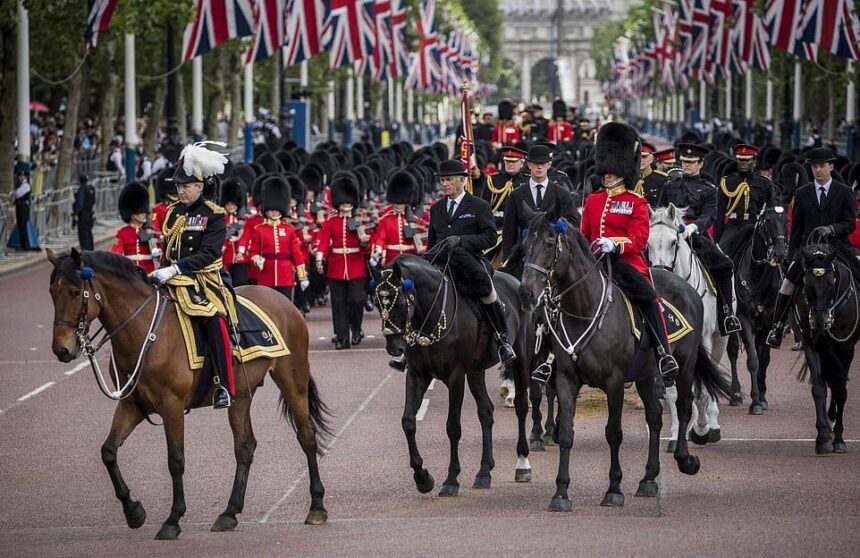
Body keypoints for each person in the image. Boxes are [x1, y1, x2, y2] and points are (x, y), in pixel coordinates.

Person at [580, 122, 679, 381]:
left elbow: (639, 240)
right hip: (596, 262)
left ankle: (664, 352)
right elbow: (585, 236)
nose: (608, 175)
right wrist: (593, 248)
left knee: (648, 298)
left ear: (623, 171)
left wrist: (616, 243)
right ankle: (549, 357)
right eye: (606, 171)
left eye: (613, 171)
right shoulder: (593, 200)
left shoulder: (637, 202)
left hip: (626, 263)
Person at [151, 142, 235, 409]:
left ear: (200, 186)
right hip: (173, 277)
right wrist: (163, 267)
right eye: (178, 186)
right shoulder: (174, 212)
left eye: (186, 186)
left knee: (214, 318)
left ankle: (224, 384)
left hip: (205, 280)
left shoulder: (213, 214)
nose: (181, 190)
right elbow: (170, 247)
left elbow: (208, 253)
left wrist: (177, 268)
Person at [766, 147, 859, 348]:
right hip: (808, 250)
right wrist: (792, 256)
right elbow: (797, 229)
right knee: (787, 285)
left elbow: (850, 223)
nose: (818, 170)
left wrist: (832, 229)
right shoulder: (802, 193)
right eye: (815, 167)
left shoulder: (844, 192)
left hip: (837, 247)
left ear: (831, 167)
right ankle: (778, 327)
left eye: (822, 166)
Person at [427, 159, 516, 365]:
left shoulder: (478, 205)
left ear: (461, 180)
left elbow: (490, 238)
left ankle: (502, 340)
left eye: (449, 180)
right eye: (442, 180)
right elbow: (431, 243)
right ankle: (412, 347)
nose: (445, 184)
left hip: (471, 261)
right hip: (443, 261)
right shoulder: (436, 209)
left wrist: (462, 240)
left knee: (487, 289)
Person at [657, 143, 740, 335]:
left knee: (725, 265)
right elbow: (660, 210)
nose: (687, 166)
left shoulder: (709, 189)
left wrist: (692, 227)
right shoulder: (670, 186)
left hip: (696, 236)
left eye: (692, 162)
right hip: (670, 233)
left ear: (701, 164)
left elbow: (710, 215)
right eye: (685, 162)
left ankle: (727, 314)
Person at [316, 173, 369, 350]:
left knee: (356, 300)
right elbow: (323, 241)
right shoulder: (332, 222)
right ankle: (341, 336)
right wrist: (320, 258)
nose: (346, 206)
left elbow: (367, 246)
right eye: (344, 203)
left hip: (355, 265)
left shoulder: (360, 220)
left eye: (349, 203)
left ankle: (356, 327)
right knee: (338, 303)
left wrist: (364, 241)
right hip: (337, 265)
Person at [502, 144, 576, 261]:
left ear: (549, 165)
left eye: (543, 163)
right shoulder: (516, 195)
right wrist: (508, 259)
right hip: (524, 254)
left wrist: (560, 225)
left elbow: (573, 220)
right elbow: (509, 231)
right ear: (529, 165)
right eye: (536, 163)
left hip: (554, 255)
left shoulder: (562, 193)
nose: (539, 167)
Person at [248, 176, 309, 301]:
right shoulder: (259, 230)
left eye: (277, 209)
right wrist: (257, 259)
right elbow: (253, 252)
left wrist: (302, 276)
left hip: (285, 276)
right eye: (271, 209)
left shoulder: (289, 229)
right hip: (265, 276)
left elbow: (297, 255)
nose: (274, 212)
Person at [714, 144, 775, 257]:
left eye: (747, 160)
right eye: (741, 160)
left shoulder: (765, 183)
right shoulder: (727, 182)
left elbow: (771, 211)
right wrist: (717, 240)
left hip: (756, 227)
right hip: (734, 227)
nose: (744, 163)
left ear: (754, 161)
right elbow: (719, 214)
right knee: (721, 255)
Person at [370, 170, 425, 267]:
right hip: (392, 259)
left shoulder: (415, 220)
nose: (398, 205)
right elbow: (381, 238)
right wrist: (378, 251)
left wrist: (422, 248)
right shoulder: (386, 219)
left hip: (411, 260)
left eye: (401, 203)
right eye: (396, 203)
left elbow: (422, 238)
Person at [111, 181, 157, 273]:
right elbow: (115, 253)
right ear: (132, 215)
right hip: (131, 274)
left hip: (149, 272)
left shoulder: (150, 230)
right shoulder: (123, 233)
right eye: (141, 212)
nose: (145, 214)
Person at [219, 177, 246, 283]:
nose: (230, 207)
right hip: (225, 255)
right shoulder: (221, 218)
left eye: (233, 204)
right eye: (228, 204)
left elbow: (244, 236)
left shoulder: (242, 219)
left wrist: (241, 252)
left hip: (239, 256)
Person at [634, 142, 668, 206]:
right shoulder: (628, 178)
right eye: (638, 157)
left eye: (644, 157)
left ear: (651, 159)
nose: (641, 160)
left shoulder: (661, 179)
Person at [11, 168, 33, 251]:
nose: (20, 177)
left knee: (23, 226)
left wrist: (14, 193)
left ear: (24, 177)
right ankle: (23, 245)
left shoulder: (26, 186)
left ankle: (26, 245)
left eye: (21, 176)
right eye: (20, 175)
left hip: (23, 207)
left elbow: (17, 194)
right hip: (20, 206)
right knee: (20, 226)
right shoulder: (21, 185)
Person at [74, 174, 96, 251]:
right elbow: (93, 201)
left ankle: (85, 250)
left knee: (83, 233)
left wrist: (76, 213)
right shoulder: (91, 189)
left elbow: (80, 203)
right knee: (89, 232)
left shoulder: (82, 189)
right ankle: (90, 248)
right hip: (89, 213)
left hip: (82, 214)